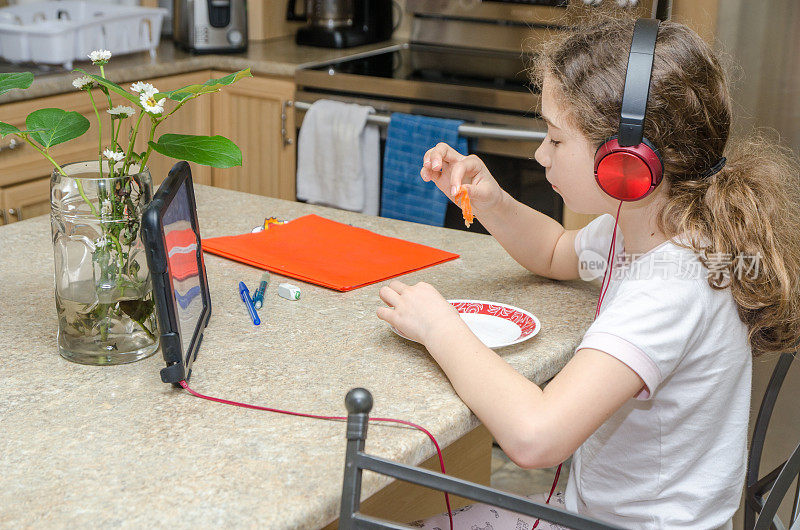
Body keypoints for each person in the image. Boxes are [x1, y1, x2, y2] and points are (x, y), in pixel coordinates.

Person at [376, 15, 800, 530]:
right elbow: (555, 251)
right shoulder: (657, 227)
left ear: (626, 160)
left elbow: (536, 436)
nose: (539, 154)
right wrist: (490, 201)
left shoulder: (670, 285)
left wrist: (438, 326)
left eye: (555, 140)